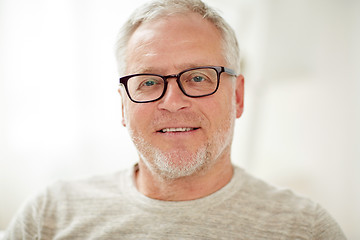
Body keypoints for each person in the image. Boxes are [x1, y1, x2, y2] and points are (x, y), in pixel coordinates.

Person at [4, 0, 346, 239]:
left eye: (198, 77)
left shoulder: (305, 229)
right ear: (123, 106)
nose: (173, 102)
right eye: (149, 82)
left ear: (238, 97)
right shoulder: (48, 214)